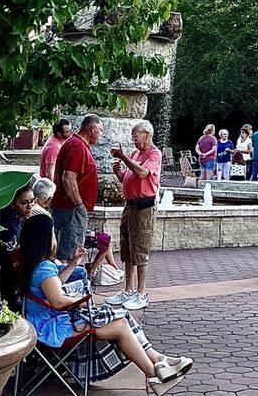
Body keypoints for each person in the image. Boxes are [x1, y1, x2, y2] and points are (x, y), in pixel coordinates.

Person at [17, 213, 192, 393]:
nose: (56, 237)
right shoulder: (43, 267)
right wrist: (81, 301)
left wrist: (74, 263)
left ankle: (159, 363)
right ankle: (154, 373)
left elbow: (55, 284)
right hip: (52, 326)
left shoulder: (35, 264)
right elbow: (58, 300)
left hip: (49, 319)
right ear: (44, 238)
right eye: (53, 232)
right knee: (122, 324)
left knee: (122, 319)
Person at [109, 121, 161, 309]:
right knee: (127, 247)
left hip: (143, 207)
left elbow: (141, 173)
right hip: (129, 206)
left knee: (140, 247)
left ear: (147, 134)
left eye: (136, 136)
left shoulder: (154, 154)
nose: (134, 140)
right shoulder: (135, 154)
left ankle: (141, 292)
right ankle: (128, 290)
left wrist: (123, 158)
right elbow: (128, 179)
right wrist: (119, 173)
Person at [50, 113, 102, 261]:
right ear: (93, 128)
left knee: (67, 252)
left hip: (67, 208)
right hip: (71, 210)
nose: (101, 134)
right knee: (69, 255)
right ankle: (62, 283)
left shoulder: (76, 143)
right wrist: (80, 206)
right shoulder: (78, 146)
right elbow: (68, 178)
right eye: (100, 130)